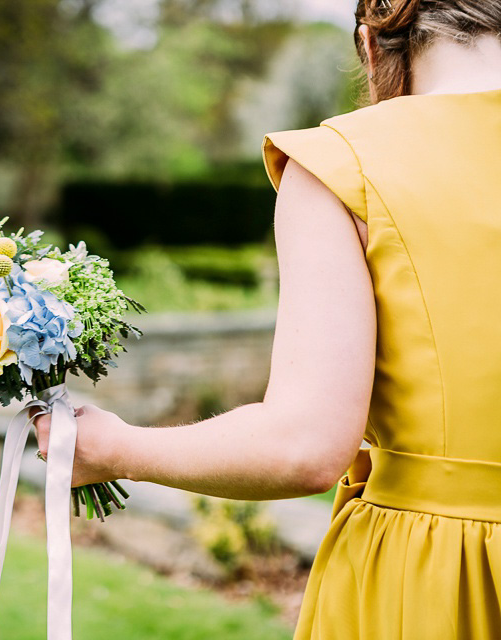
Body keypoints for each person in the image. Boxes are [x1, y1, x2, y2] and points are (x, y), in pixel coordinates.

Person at [33, 1, 501, 637]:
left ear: (373, 42)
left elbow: (304, 447)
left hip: (437, 580)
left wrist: (117, 449)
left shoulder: (348, 165)